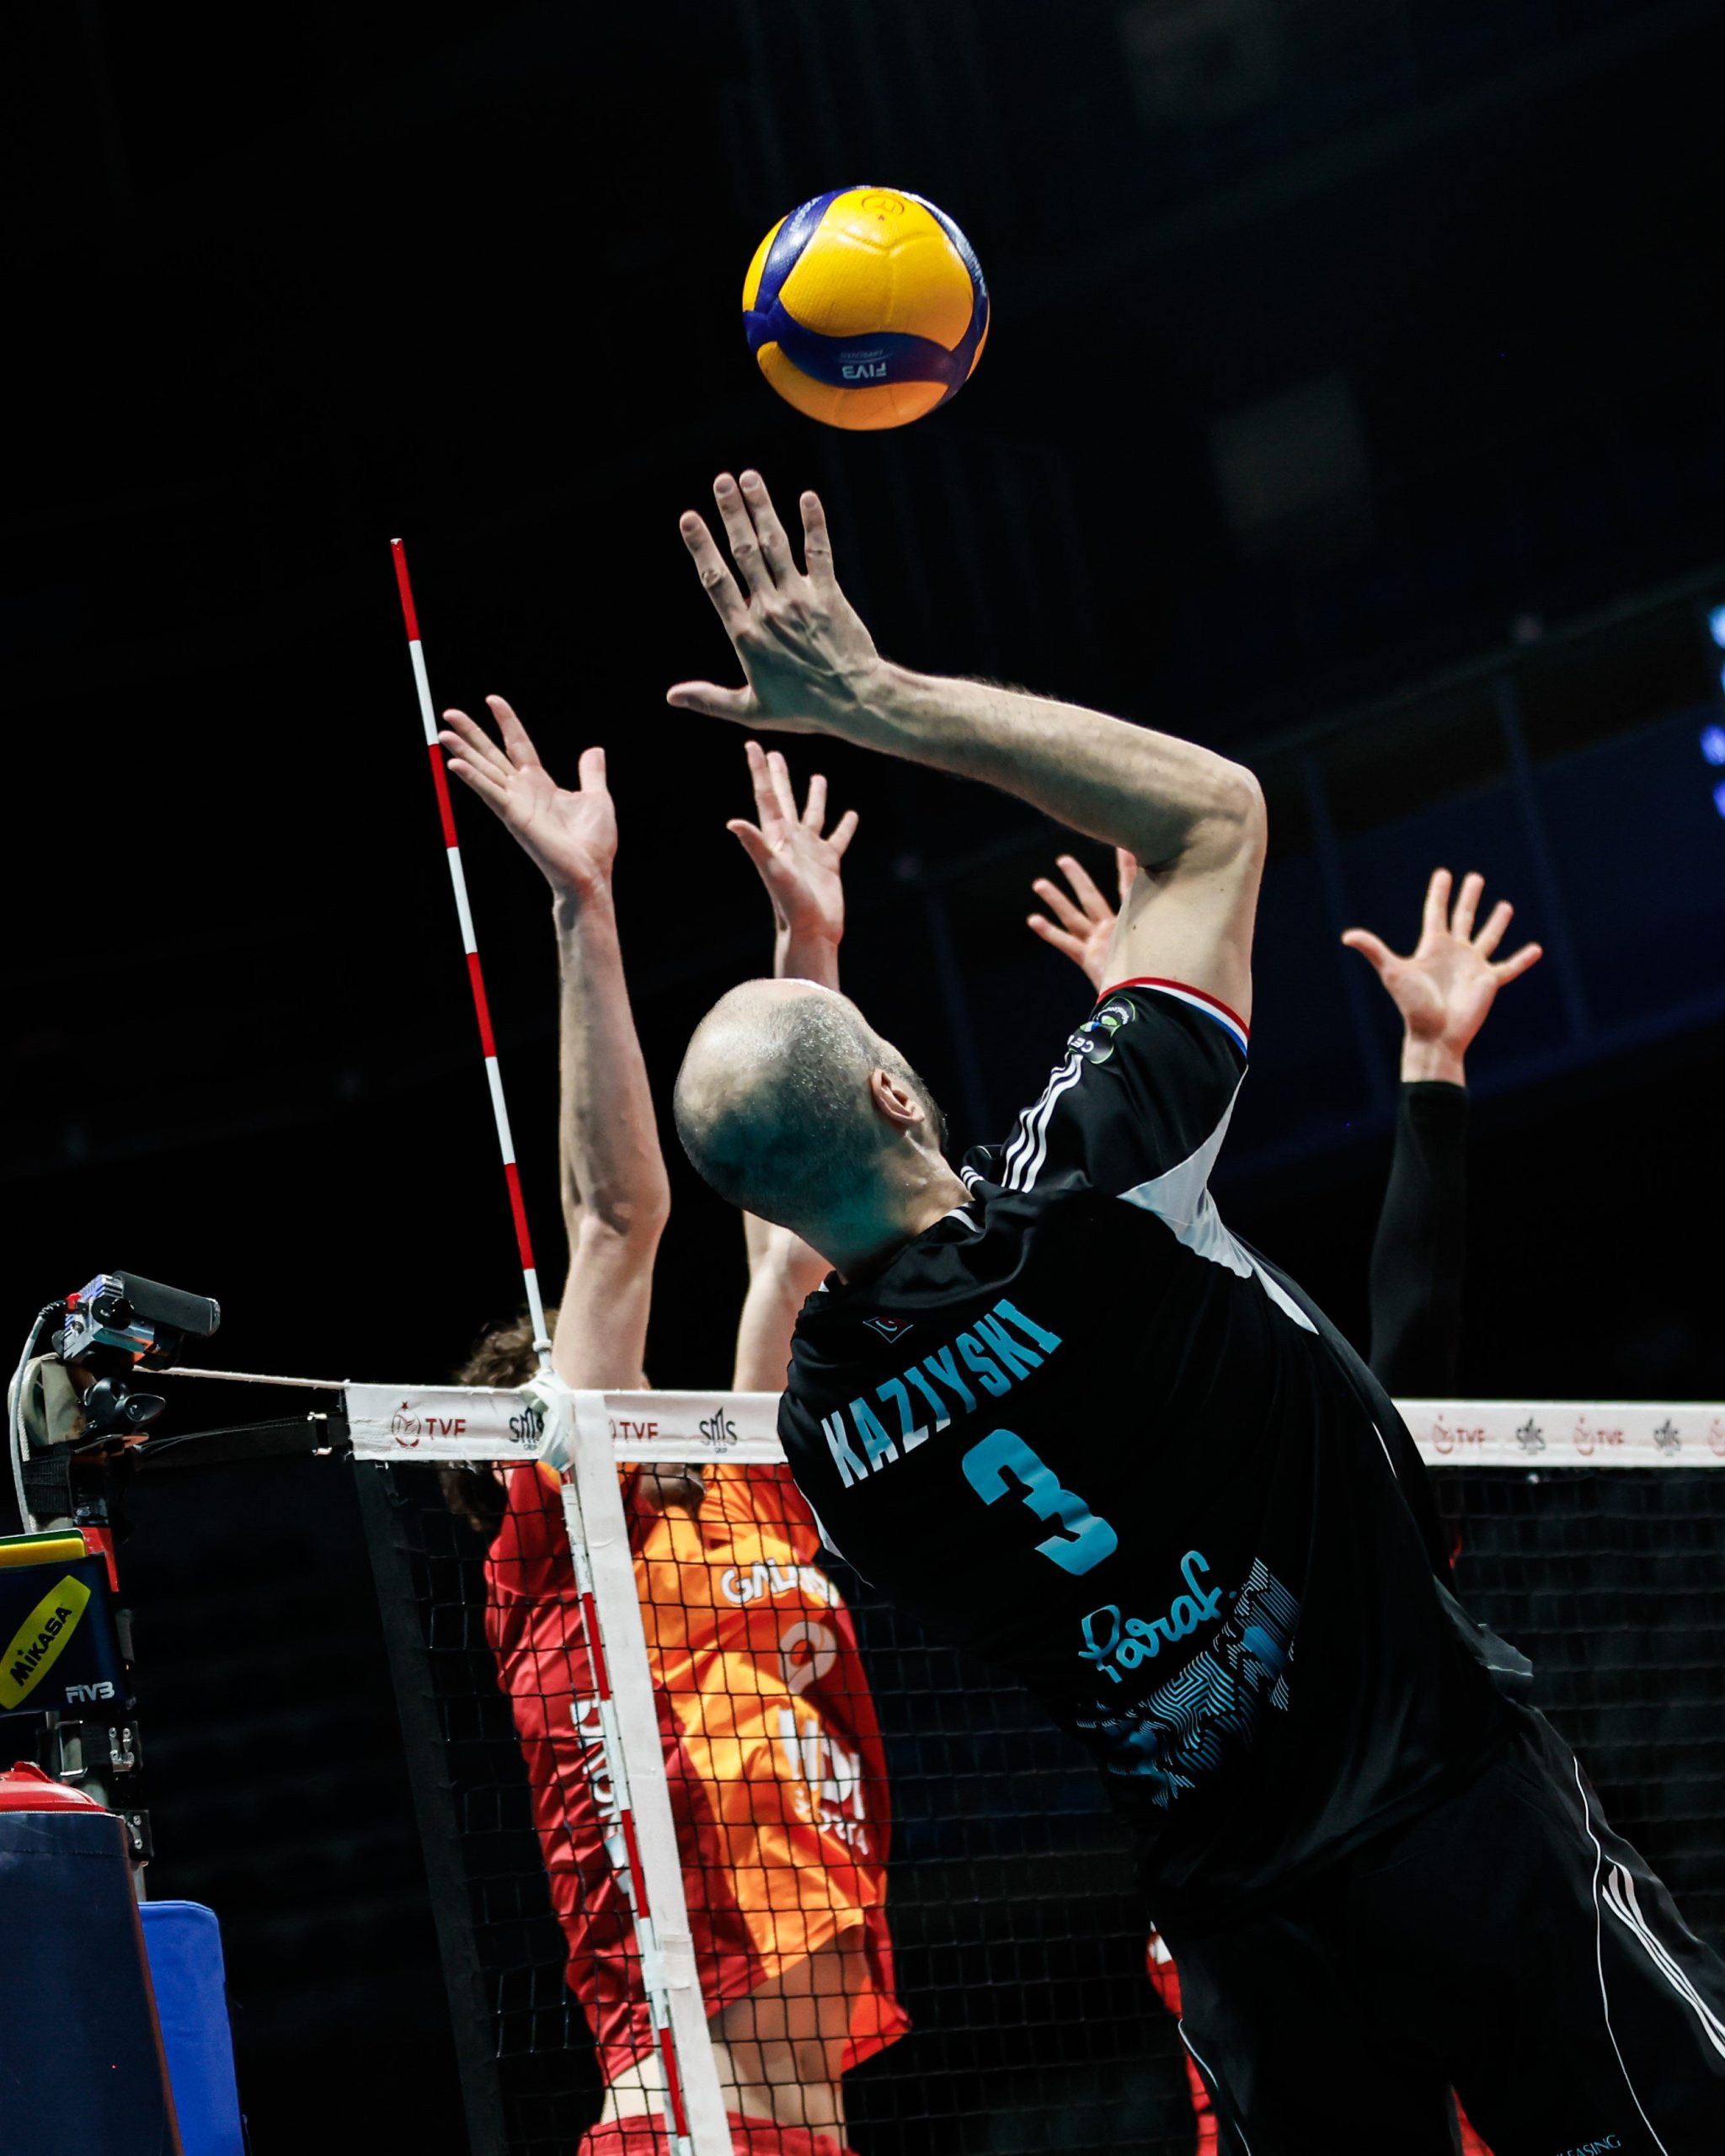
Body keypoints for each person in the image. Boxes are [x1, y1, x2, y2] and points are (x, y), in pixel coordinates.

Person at [667, 467, 1725, 2155]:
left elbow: (820, 1246)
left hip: (1247, 1933)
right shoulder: (1100, 1192)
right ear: (894, 1087)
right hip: (1457, 1823)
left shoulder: (828, 1437)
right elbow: (1213, 815)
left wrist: (810, 978)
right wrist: (866, 697)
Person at [437, 697, 907, 2156]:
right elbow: (617, 1221)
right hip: (683, 2128)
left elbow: (795, 1243)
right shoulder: (567, 1559)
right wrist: (582, 903)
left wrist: (808, 952)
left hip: (811, 2131)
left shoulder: (742, 1502)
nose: (632, 1390)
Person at [1033, 851, 1542, 2154]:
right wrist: (1127, 1040)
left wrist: (1433, 1066)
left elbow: (1406, 1354)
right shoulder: (1113, 1588)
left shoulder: (1353, 1530)